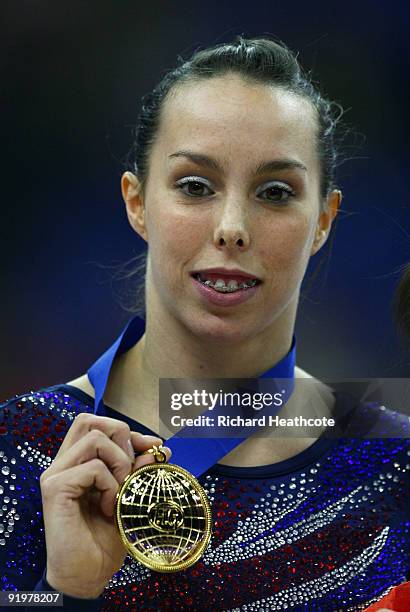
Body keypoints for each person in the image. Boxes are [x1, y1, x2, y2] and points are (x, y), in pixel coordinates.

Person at [1, 35, 409, 612]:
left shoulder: (393, 465)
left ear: (323, 220)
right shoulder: (15, 450)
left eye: (274, 192)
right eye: (196, 186)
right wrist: (68, 594)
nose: (232, 226)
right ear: (137, 202)